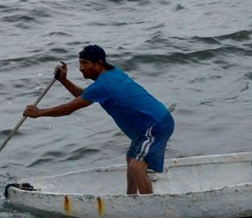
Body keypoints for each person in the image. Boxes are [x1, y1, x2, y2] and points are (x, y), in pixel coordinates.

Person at [23, 45, 174, 195]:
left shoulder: (103, 85)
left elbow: (68, 109)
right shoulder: (112, 74)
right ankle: (131, 198)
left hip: (155, 125)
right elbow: (85, 96)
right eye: (80, 63)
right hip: (153, 123)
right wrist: (64, 80)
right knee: (131, 159)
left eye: (85, 63)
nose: (81, 68)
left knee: (136, 166)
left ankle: (147, 205)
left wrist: (39, 112)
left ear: (99, 64)